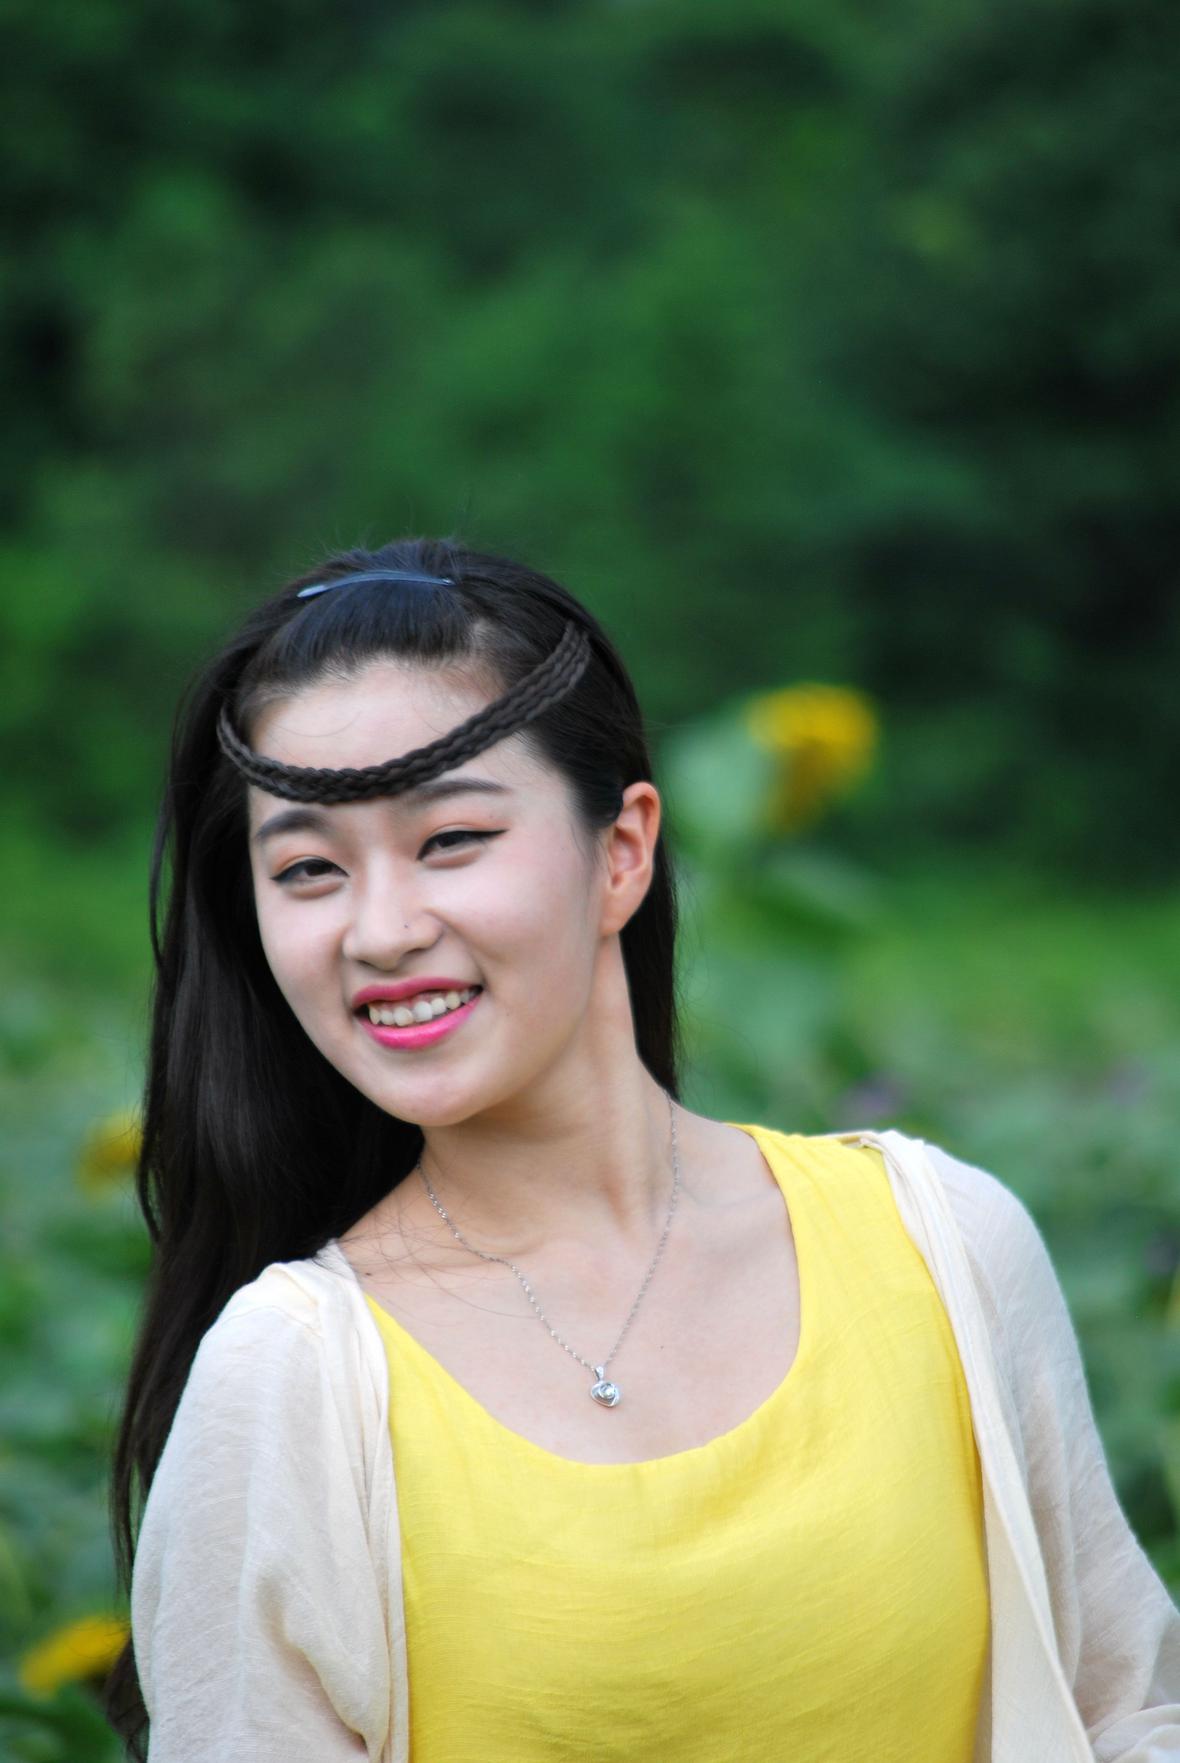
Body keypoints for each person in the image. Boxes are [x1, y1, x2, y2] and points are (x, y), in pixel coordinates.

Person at [107, 538, 1178, 1762]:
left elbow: (1129, 1711)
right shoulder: (293, 1376)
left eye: (450, 838)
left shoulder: (939, 1242)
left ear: (621, 851)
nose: (382, 929)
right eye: (308, 868)